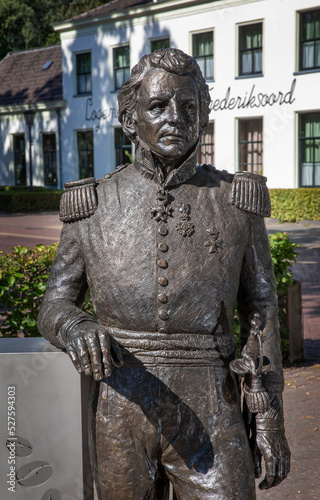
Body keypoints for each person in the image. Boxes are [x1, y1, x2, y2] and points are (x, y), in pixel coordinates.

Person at [38, 48, 290, 500]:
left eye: (188, 108)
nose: (175, 117)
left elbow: (262, 309)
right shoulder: (92, 207)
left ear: (202, 118)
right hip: (122, 404)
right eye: (158, 106)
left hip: (213, 404)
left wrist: (269, 418)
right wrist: (75, 326)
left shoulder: (236, 203)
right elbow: (55, 304)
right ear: (131, 119)